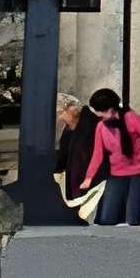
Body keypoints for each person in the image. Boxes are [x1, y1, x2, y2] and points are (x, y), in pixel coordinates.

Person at [83, 85, 140, 227]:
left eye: (100, 113)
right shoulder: (101, 127)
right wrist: (89, 177)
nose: (99, 116)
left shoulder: (131, 118)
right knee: (107, 217)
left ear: (110, 110)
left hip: (139, 172)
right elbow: (97, 154)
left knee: (132, 218)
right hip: (116, 173)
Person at [56, 95, 99, 223]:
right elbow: (63, 157)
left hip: (93, 184)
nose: (58, 117)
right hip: (78, 187)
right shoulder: (69, 130)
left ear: (69, 111)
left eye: (60, 113)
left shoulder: (90, 127)